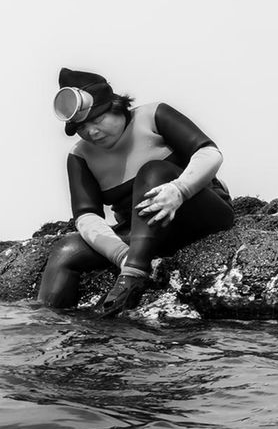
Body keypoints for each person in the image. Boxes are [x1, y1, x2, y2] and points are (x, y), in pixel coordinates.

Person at [38, 69, 235, 316]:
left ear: (115, 106)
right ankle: (46, 325)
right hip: (146, 236)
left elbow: (209, 152)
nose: (91, 132)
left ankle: (132, 280)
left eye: (97, 120)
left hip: (198, 214)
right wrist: (120, 253)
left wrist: (179, 190)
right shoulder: (80, 156)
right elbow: (86, 216)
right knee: (66, 249)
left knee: (152, 172)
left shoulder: (153, 115)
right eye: (81, 127)